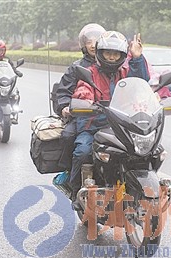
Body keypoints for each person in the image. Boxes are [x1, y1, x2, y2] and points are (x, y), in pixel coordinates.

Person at [69, 31, 151, 210]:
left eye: (116, 54)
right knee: (82, 152)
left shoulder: (125, 72)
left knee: (150, 150)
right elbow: (83, 88)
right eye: (108, 53)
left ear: (122, 56)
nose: (112, 58)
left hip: (122, 126)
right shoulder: (90, 73)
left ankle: (142, 185)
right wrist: (85, 100)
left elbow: (141, 82)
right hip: (94, 126)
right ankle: (76, 192)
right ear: (100, 53)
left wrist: (137, 57)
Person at [53, 23, 106, 176]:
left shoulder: (115, 65)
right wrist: (65, 107)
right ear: (83, 44)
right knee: (69, 137)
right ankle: (70, 172)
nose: (93, 45)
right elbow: (63, 92)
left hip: (111, 117)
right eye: (89, 41)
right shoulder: (77, 67)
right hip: (83, 115)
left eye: (96, 41)